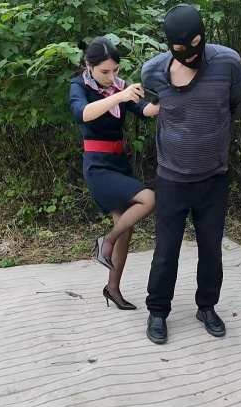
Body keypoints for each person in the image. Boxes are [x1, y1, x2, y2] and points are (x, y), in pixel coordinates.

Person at [140, 4, 241, 344]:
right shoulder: (152, 72)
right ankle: (158, 312)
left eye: (195, 45)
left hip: (213, 177)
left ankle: (207, 307)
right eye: (180, 48)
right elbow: (152, 107)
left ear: (203, 36)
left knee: (211, 248)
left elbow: (236, 106)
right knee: (166, 250)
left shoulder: (228, 63)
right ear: (169, 45)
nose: (189, 53)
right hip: (171, 178)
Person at [69, 36, 159, 310]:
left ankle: (112, 288)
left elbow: (145, 110)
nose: (111, 77)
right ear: (89, 66)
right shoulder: (80, 86)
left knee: (126, 228)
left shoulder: (120, 86)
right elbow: (81, 113)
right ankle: (105, 241)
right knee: (149, 198)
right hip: (98, 166)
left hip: (119, 162)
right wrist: (119, 95)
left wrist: (167, 100)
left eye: (116, 70)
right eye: (104, 72)